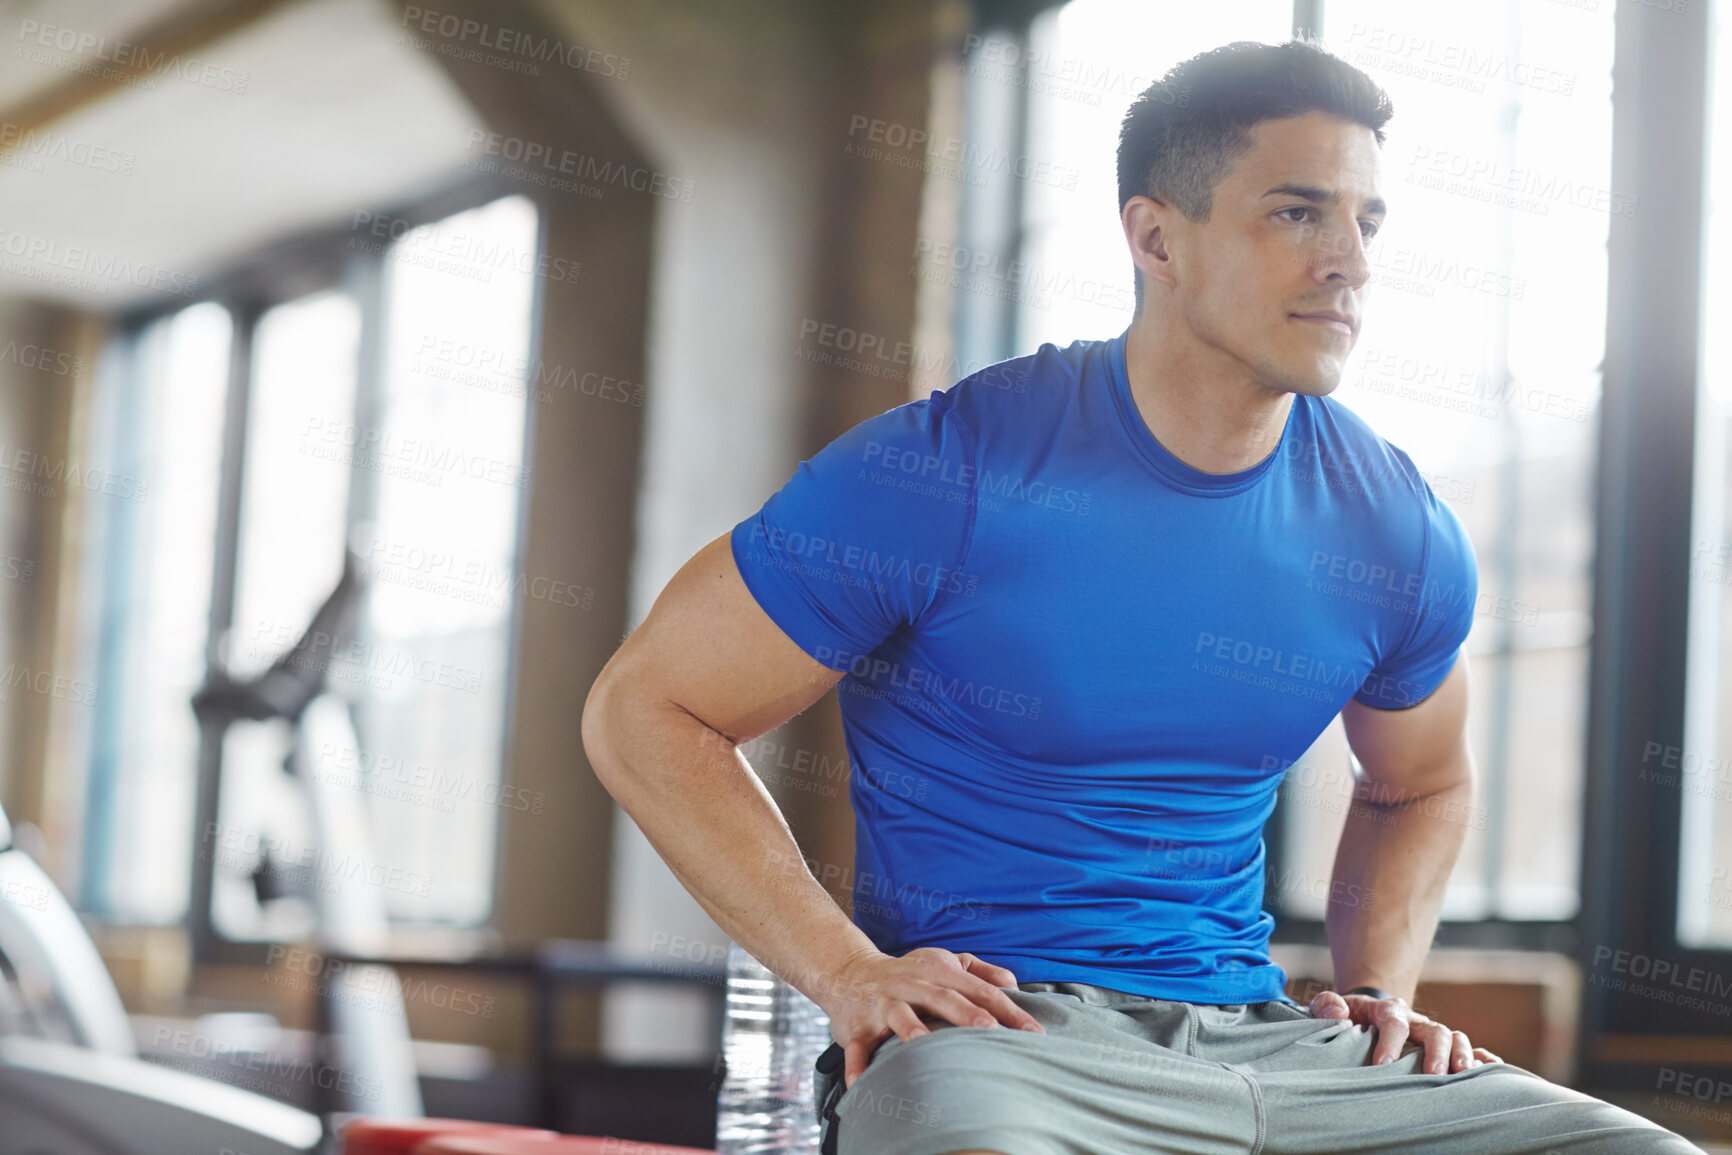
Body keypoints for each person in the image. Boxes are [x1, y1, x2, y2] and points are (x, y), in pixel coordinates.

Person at [582, 37, 1704, 1155]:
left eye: (1366, 222)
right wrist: (846, 970)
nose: (1348, 261)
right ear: (1156, 236)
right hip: (1009, 1041)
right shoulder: (950, 471)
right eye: (1297, 213)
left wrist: (1378, 992)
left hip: (1275, 1046)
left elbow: (1418, 783)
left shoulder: (1390, 520)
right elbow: (648, 708)